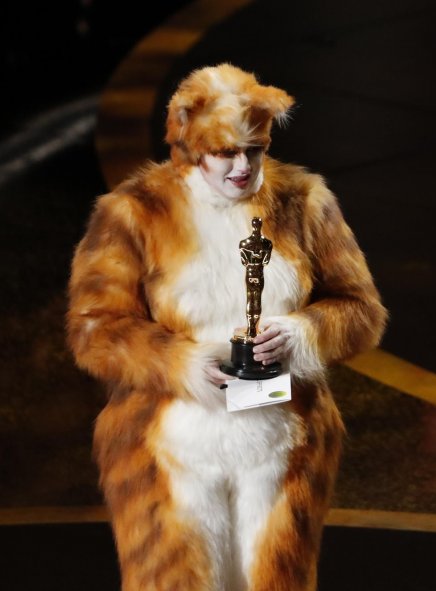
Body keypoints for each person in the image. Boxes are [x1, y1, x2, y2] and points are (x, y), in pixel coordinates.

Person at [67, 64, 387, 591]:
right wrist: (181, 363)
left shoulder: (303, 201)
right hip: (169, 446)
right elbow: (94, 329)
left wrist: (304, 332)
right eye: (225, 153)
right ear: (191, 148)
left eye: (254, 150)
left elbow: (362, 311)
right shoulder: (133, 214)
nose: (242, 167)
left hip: (283, 442)